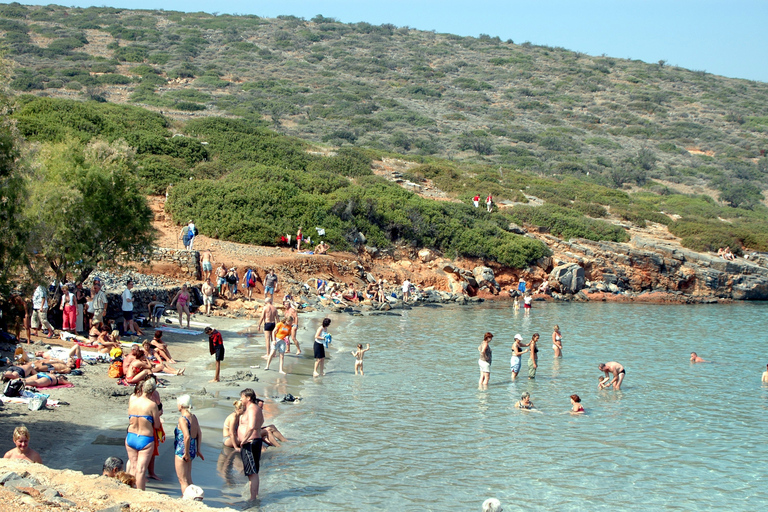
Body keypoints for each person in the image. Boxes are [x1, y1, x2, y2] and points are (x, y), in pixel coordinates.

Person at [126, 378, 161, 490]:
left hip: (131, 436)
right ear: (152, 391)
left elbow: (130, 418)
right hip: (145, 438)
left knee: (133, 466)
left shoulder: (133, 401)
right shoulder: (151, 405)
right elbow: (156, 425)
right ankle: (140, 495)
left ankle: (130, 490)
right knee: (141, 470)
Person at [234, 388, 264, 502]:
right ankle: (254, 496)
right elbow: (261, 421)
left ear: (248, 398)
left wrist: (244, 440)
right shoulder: (253, 409)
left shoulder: (252, 409)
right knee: (253, 471)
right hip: (253, 441)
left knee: (252, 473)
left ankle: (252, 499)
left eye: (242, 397)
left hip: (250, 443)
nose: (241, 399)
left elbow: (251, 426)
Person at [174, 395, 204, 495]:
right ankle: (195, 497)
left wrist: (185, 453)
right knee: (188, 478)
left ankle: (187, 500)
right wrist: (198, 449)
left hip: (182, 451)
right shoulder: (193, 417)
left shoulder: (182, 419)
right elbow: (199, 433)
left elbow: (186, 436)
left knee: (182, 480)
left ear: (181, 405)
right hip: (192, 450)